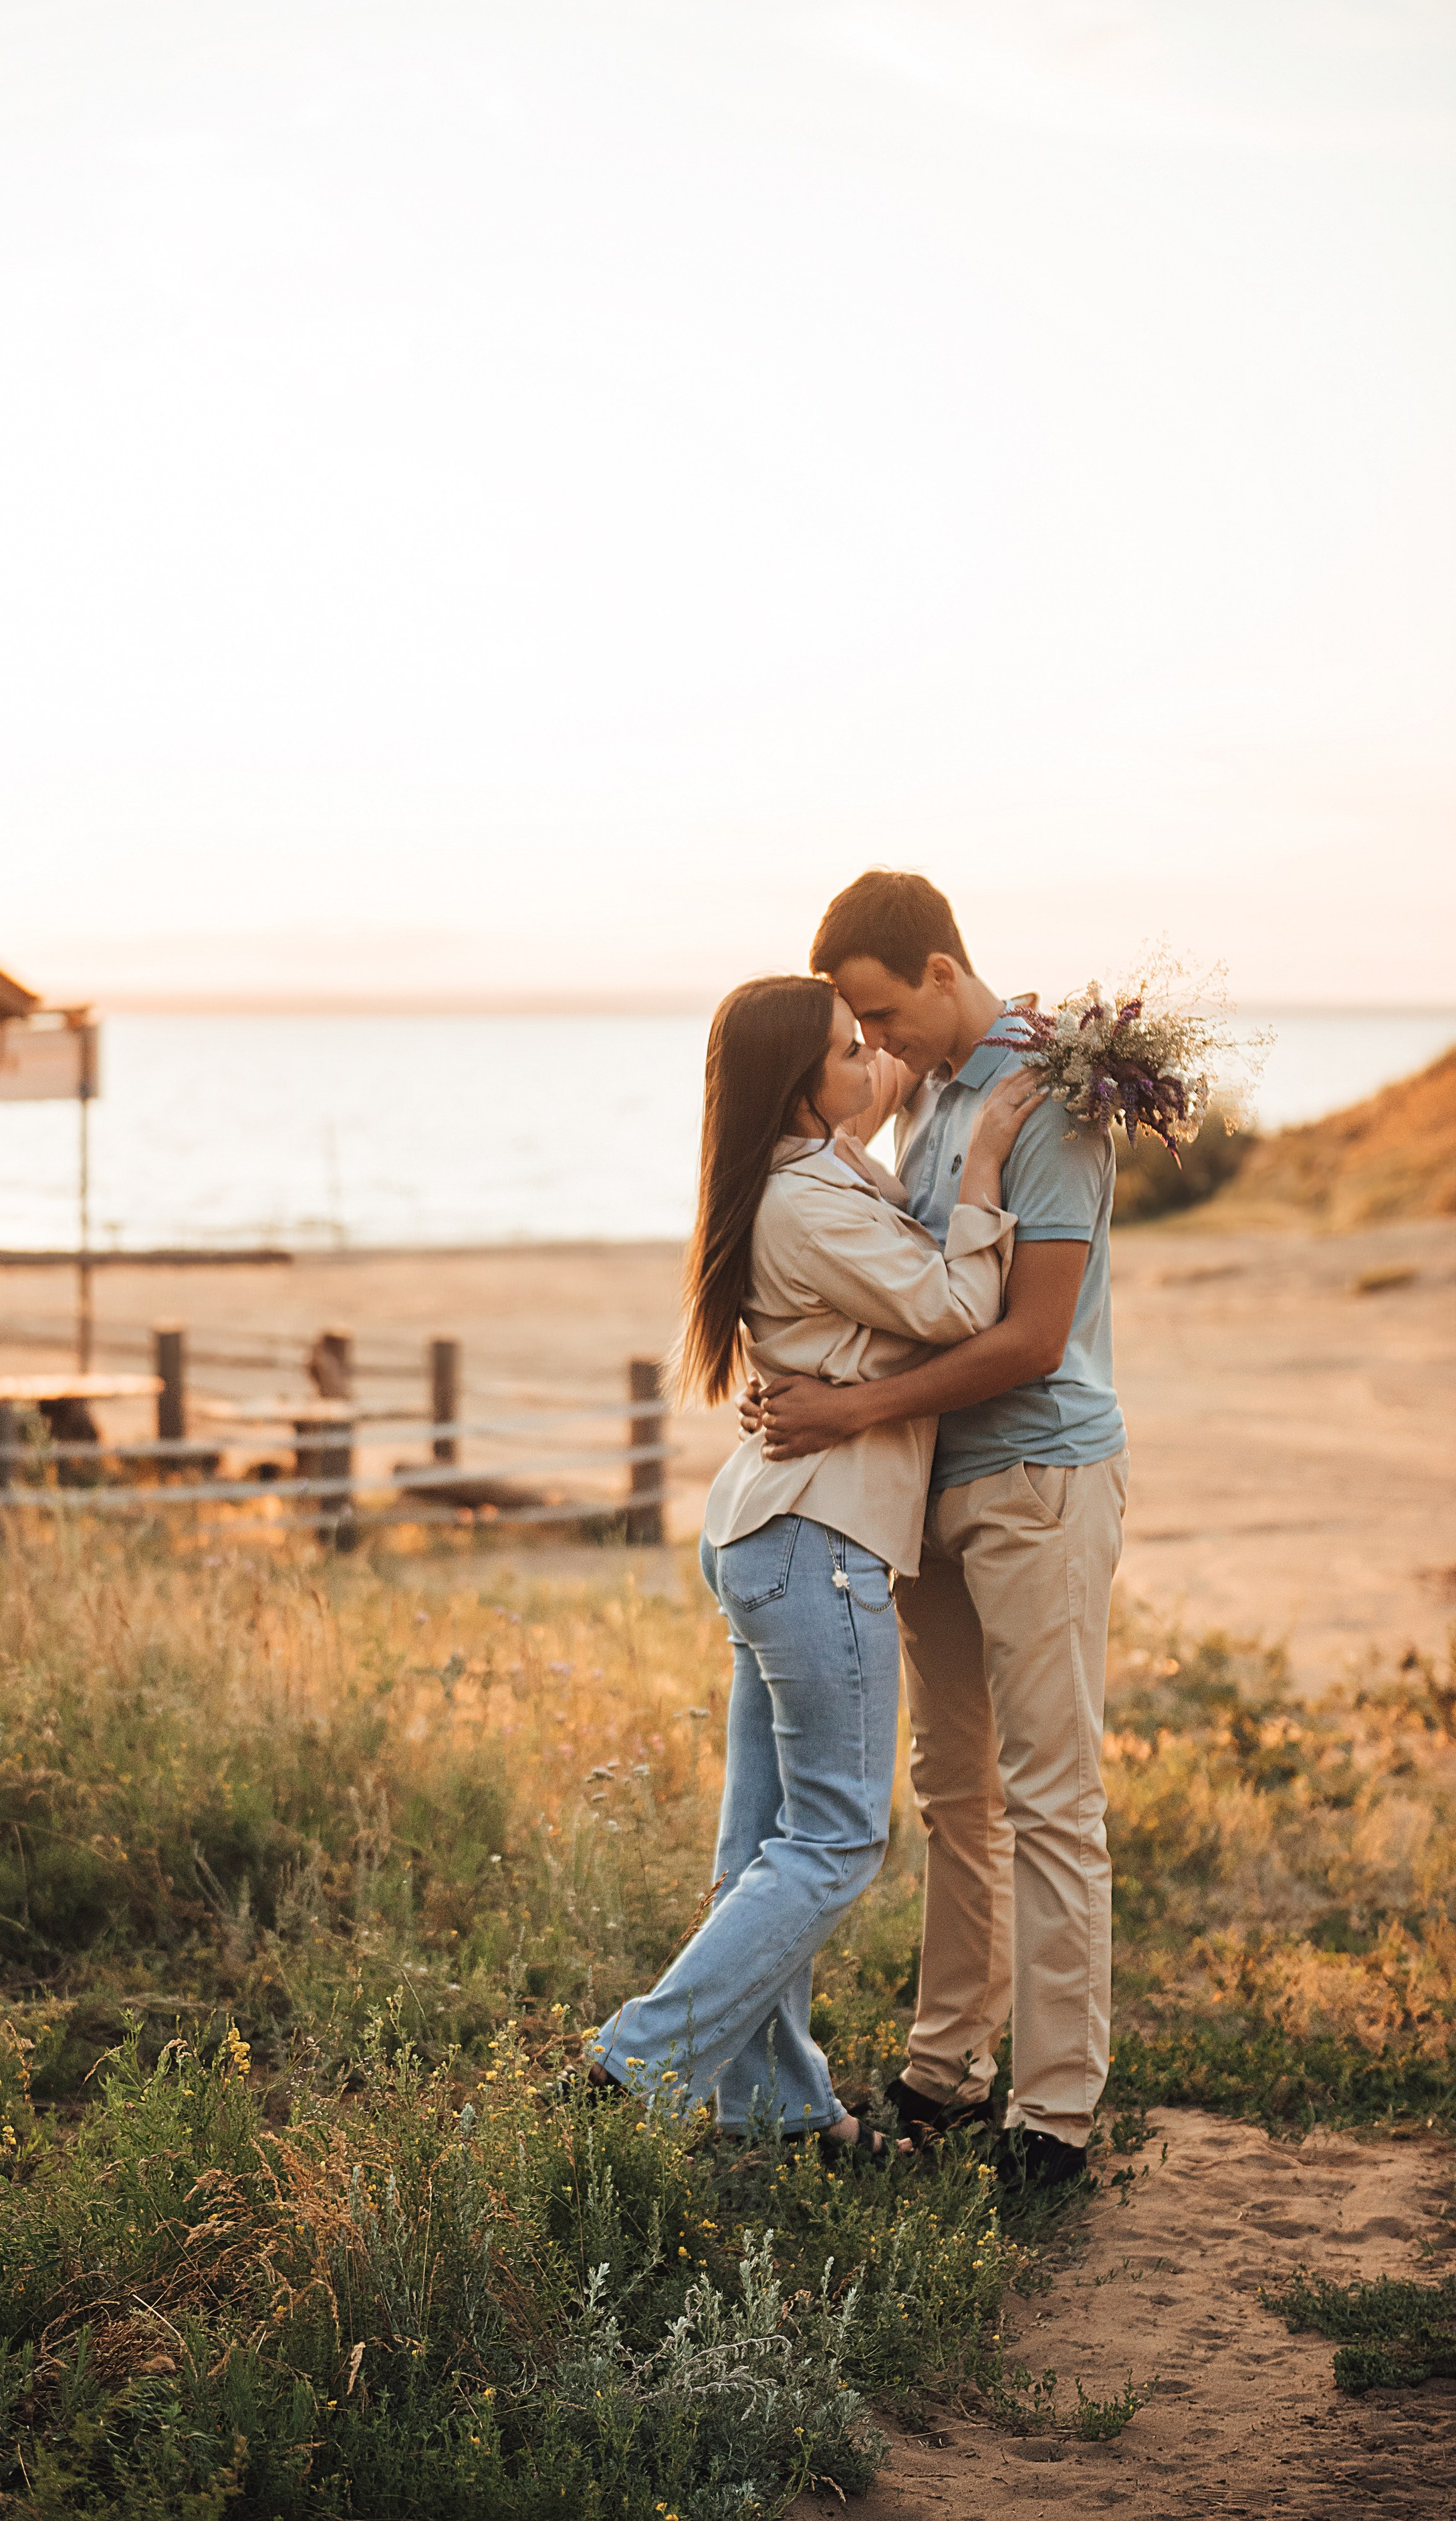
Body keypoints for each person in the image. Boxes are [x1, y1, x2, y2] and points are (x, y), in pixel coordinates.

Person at [582, 971, 1041, 2156]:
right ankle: (636, 2059)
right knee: (837, 1842)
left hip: (773, 1535)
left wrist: (978, 1024)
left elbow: (886, 1073)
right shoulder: (812, 1204)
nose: (875, 1059)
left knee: (762, 1848)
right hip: (816, 1543)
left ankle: (777, 2112)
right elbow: (957, 1304)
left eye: (874, 1038)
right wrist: (987, 1152)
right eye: (851, 1048)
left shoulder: (814, 1162)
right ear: (802, 1090)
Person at [745, 871, 1128, 2191]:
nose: (870, 1044)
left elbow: (1025, 1336)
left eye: (875, 1013)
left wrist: (847, 1409)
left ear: (937, 968)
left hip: (1036, 1482)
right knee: (951, 1796)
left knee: (1048, 1798)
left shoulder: (1051, 1095)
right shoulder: (929, 1099)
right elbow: (910, 1279)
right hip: (932, 1496)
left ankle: (1056, 2110)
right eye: (853, 1029)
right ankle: (944, 2069)